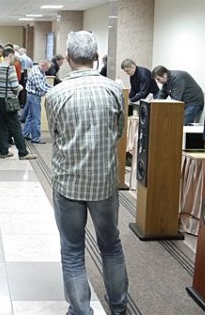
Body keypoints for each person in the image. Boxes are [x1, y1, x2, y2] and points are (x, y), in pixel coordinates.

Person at [45, 30, 128, 315]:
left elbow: (56, 135)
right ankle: (119, 307)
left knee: (72, 251)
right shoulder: (114, 90)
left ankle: (81, 310)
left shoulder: (55, 94)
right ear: (95, 57)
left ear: (68, 58)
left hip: (68, 183)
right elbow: (119, 132)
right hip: (104, 182)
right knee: (111, 246)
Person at [0, 47, 37, 161]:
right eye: (14, 58)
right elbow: (14, 86)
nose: (14, 60)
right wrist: (20, 87)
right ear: (10, 56)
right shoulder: (10, 68)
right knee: (16, 126)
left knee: (2, 126)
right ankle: (23, 152)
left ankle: (4, 151)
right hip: (9, 101)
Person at [22, 60, 52, 144]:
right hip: (33, 96)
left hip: (33, 96)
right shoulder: (36, 74)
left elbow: (45, 84)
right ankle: (35, 138)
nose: (47, 70)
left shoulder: (41, 71)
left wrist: (52, 88)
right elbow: (41, 87)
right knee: (36, 118)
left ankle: (25, 134)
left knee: (30, 116)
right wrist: (52, 90)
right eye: (47, 68)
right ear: (42, 65)